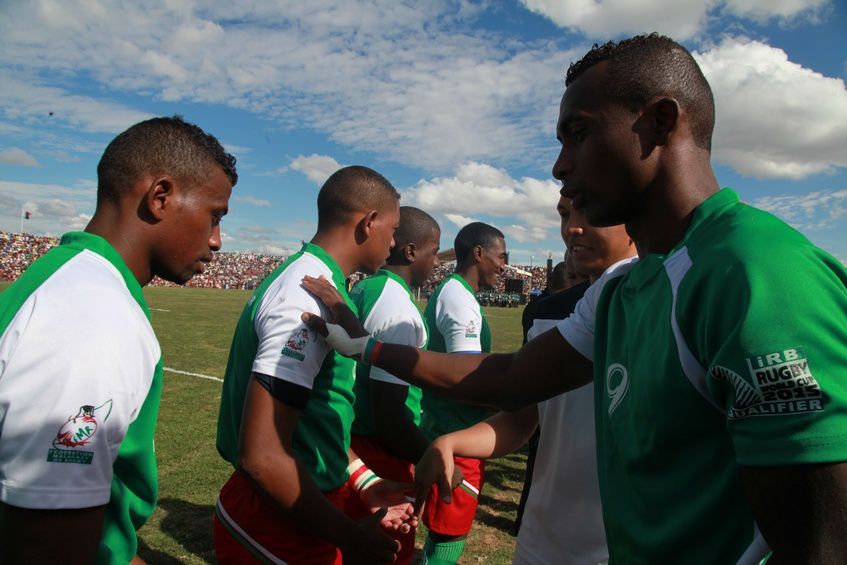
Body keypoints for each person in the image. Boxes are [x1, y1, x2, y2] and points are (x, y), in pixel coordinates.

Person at [303, 33, 847, 563]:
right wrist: (366, 348)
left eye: (579, 134)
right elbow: (511, 380)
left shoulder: (756, 272)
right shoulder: (622, 288)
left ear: (661, 122)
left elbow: (821, 541)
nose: (560, 166)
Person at [0, 116, 237, 564]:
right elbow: (47, 542)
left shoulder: (70, 275)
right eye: (214, 215)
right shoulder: (92, 315)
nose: (217, 240)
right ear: (160, 197)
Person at [214, 166, 414, 565]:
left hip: (301, 506)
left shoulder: (326, 287)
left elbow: (320, 415)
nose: (393, 242)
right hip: (279, 519)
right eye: (392, 229)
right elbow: (263, 456)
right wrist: (353, 537)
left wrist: (365, 481)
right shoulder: (305, 297)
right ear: (368, 223)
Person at [422, 194, 635, 564]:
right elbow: (523, 416)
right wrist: (454, 441)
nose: (572, 227)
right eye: (565, 213)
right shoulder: (549, 314)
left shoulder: (673, 301)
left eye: (590, 208)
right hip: (544, 537)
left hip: (623, 544)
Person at [348, 206, 441, 564]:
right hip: (379, 453)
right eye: (433, 252)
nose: (435, 263)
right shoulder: (399, 307)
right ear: (411, 251)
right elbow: (390, 414)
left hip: (349, 444)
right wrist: (429, 457)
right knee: (386, 553)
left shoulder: (366, 289)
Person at [418, 221, 507, 565]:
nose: (503, 265)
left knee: (445, 533)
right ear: (479, 253)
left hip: (452, 431)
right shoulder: (457, 299)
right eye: (501, 256)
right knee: (449, 534)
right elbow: (466, 380)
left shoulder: (457, 293)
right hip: (454, 435)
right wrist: (513, 399)